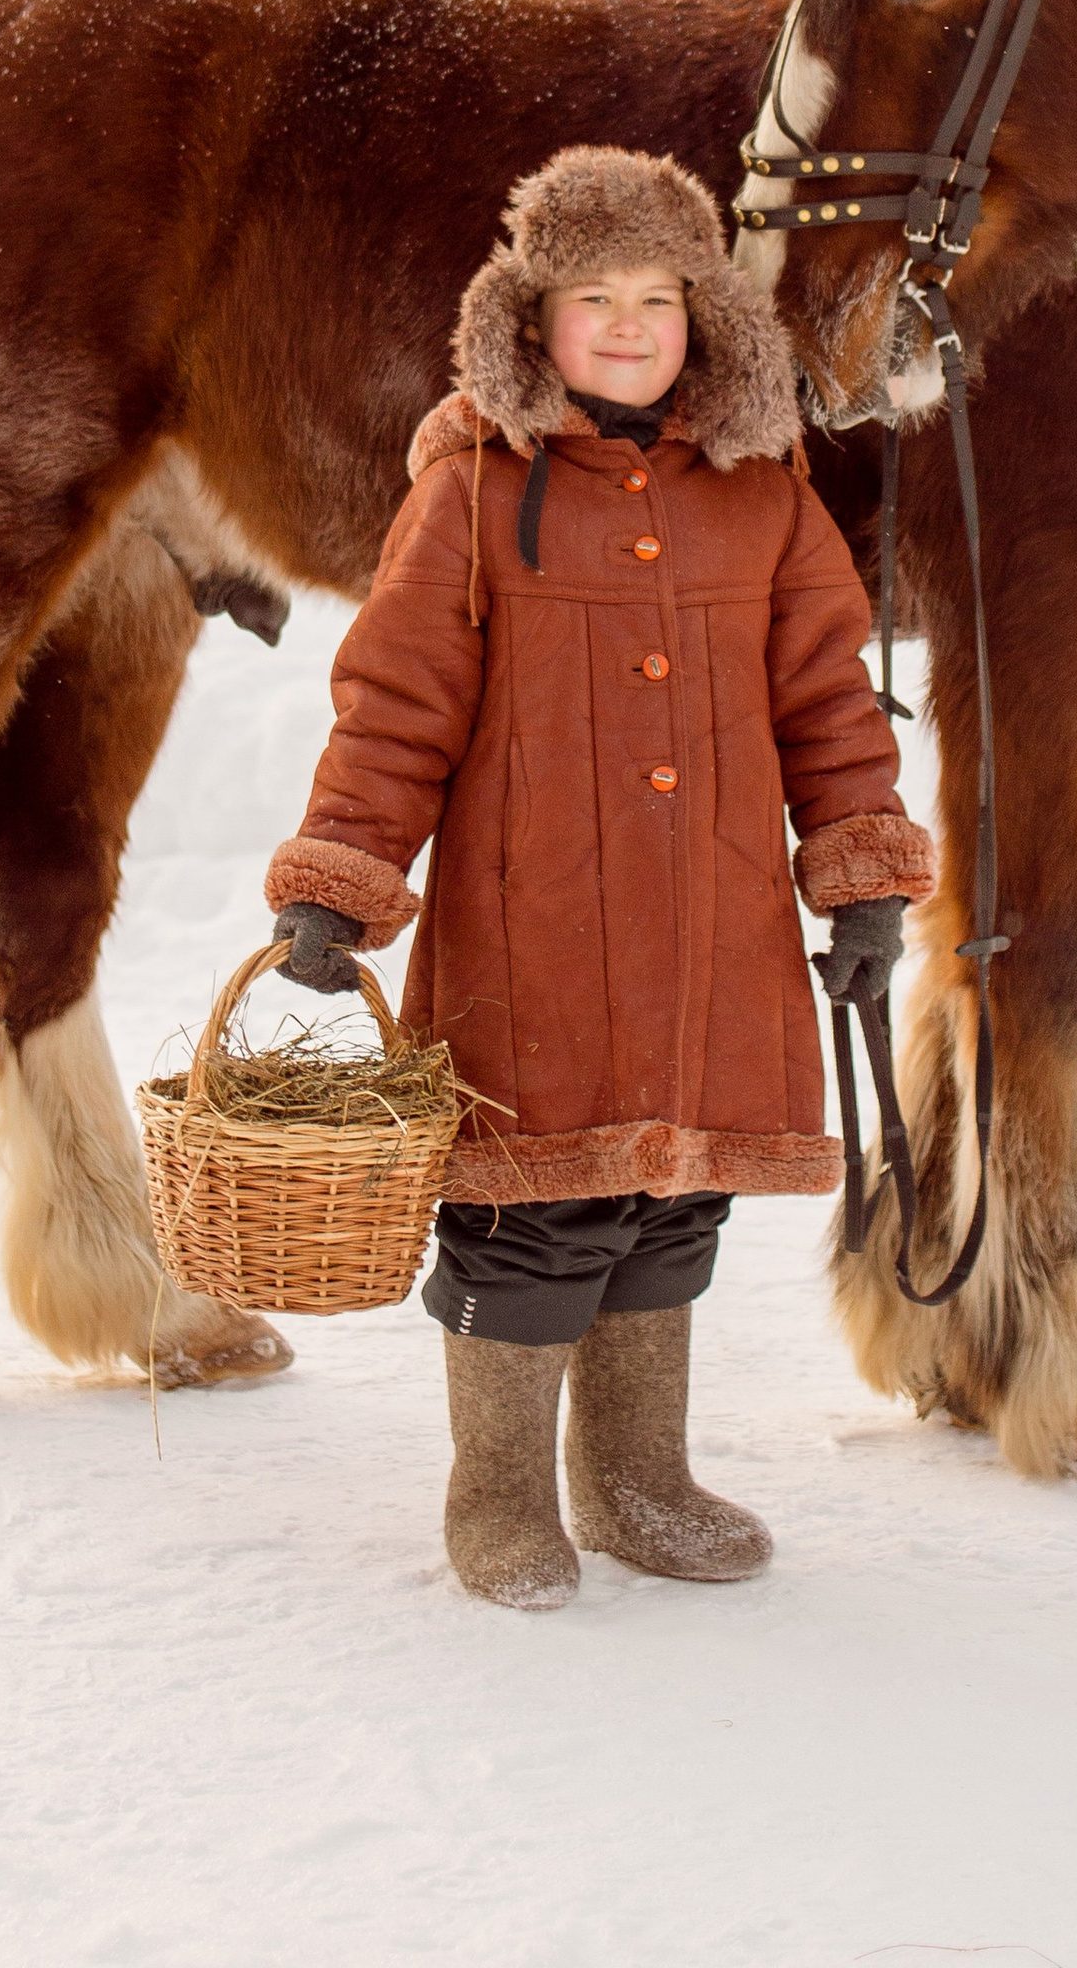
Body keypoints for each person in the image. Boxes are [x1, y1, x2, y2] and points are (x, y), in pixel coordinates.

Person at [263, 144, 936, 1611]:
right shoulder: (472, 490)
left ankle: (637, 1479)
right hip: (535, 933)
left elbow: (828, 698)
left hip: (715, 930)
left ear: (706, 316)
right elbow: (396, 700)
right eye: (591, 298)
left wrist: (862, 881)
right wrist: (342, 880)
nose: (627, 325)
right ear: (530, 318)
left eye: (658, 297)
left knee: (673, 1204)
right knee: (534, 1218)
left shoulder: (764, 494)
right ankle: (497, 1494)